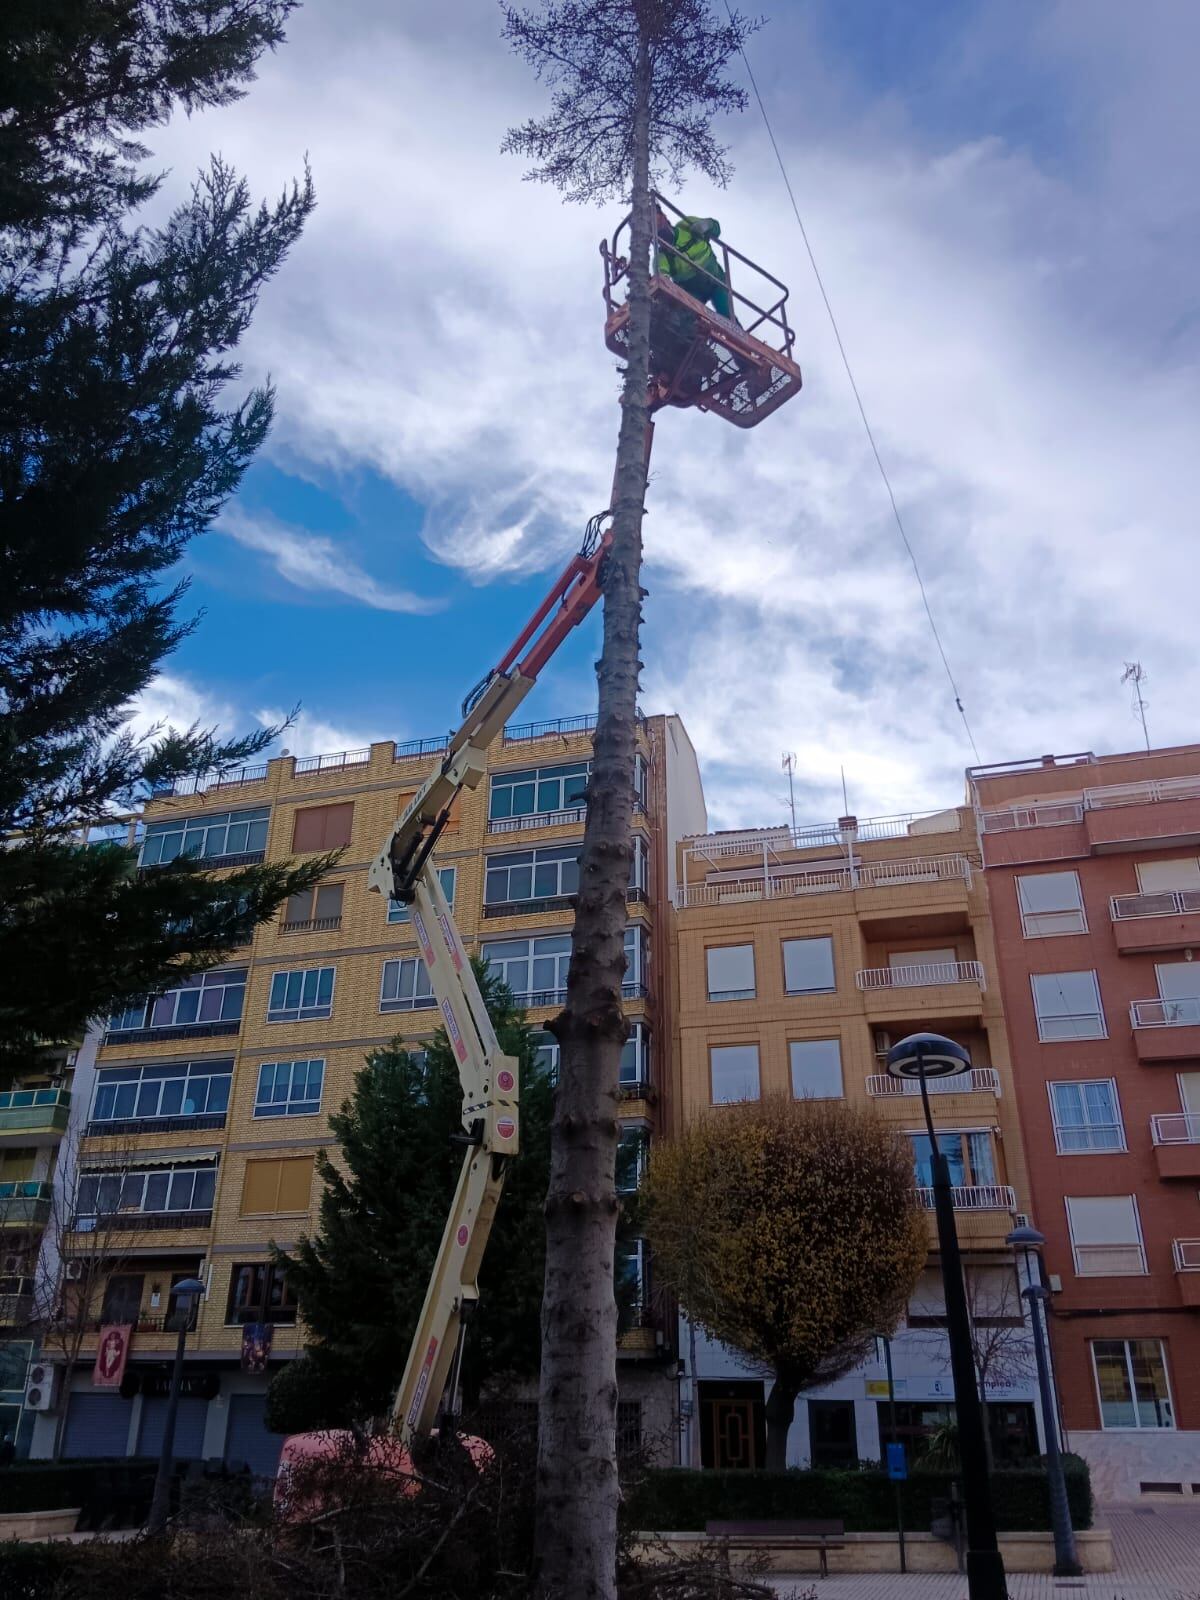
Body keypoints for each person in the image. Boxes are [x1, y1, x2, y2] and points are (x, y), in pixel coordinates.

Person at [656, 211, 734, 321]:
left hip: (716, 281)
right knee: (687, 319)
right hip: (693, 292)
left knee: (727, 315)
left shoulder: (685, 226)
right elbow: (663, 276)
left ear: (664, 217)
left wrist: (706, 225)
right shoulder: (662, 257)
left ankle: (735, 329)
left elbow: (716, 228)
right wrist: (664, 281)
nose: (657, 226)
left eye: (657, 220)